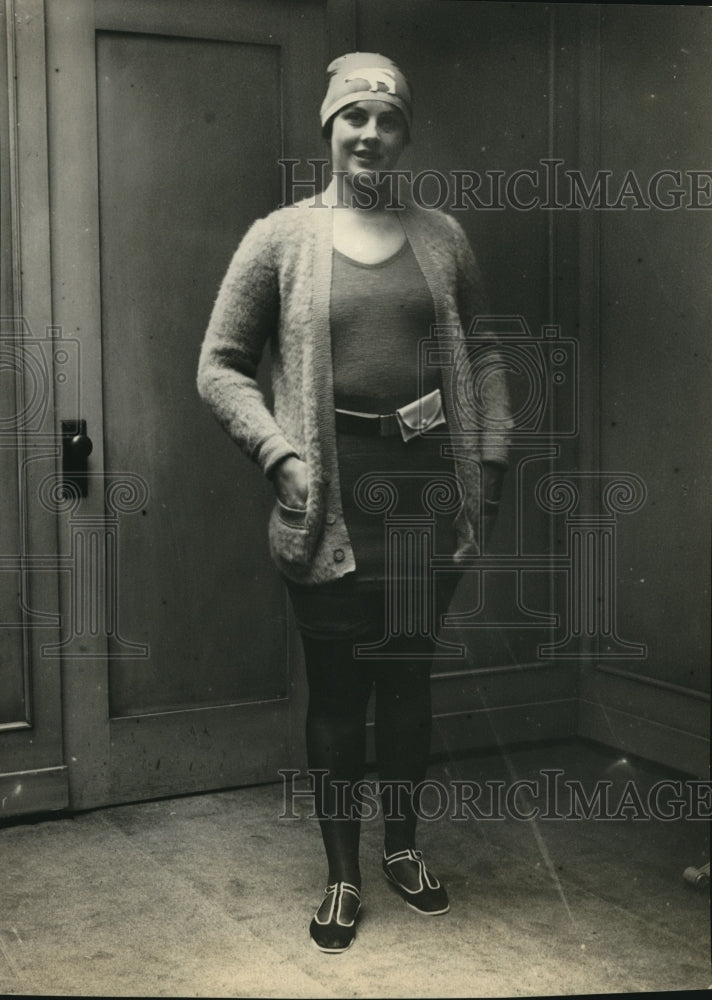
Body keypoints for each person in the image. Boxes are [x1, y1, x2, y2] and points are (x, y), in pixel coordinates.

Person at [197, 52, 511, 953]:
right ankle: (342, 877)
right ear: (329, 130)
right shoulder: (280, 238)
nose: (370, 134)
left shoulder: (443, 236)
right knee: (338, 698)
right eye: (354, 119)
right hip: (329, 503)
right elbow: (219, 364)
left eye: (387, 119)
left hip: (422, 502)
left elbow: (485, 355)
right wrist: (276, 451)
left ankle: (404, 852)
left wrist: (485, 469)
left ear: (406, 131)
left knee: (408, 687)